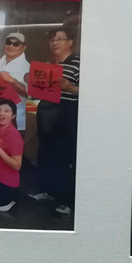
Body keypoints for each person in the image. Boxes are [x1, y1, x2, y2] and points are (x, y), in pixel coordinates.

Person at [28, 28, 80, 217]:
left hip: (66, 114)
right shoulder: (48, 66)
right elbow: (35, 93)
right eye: (52, 40)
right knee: (45, 154)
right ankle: (48, 191)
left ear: (70, 42)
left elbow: (91, 92)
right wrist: (30, 81)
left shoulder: (78, 63)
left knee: (64, 157)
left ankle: (67, 201)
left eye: (60, 39)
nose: (55, 43)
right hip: (46, 113)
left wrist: (71, 88)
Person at [0, 32, 29, 130]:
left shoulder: (27, 68)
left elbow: (30, 93)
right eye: (8, 43)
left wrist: (12, 81)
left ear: (23, 47)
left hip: (14, 121)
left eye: (16, 44)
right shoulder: (1, 62)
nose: (11, 46)